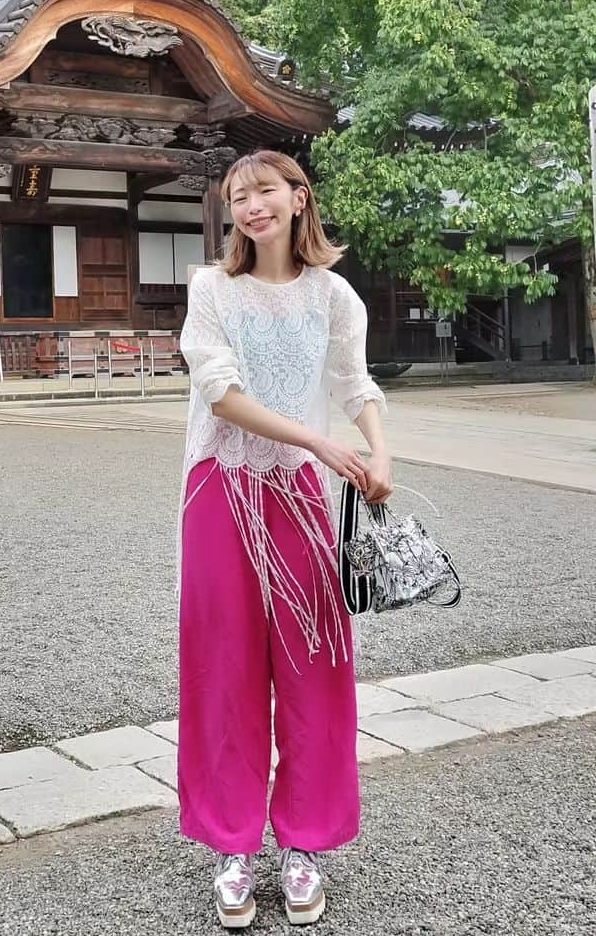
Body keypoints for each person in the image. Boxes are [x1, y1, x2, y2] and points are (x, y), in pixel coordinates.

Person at [177, 149, 393, 928]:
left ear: (299, 199)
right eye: (238, 196)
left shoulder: (333, 295)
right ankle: (233, 848)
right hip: (223, 489)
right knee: (224, 663)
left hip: (299, 493)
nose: (251, 205)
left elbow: (354, 384)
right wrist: (325, 444)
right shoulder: (212, 289)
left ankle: (304, 847)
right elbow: (221, 393)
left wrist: (378, 452)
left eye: (265, 190)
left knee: (317, 664)